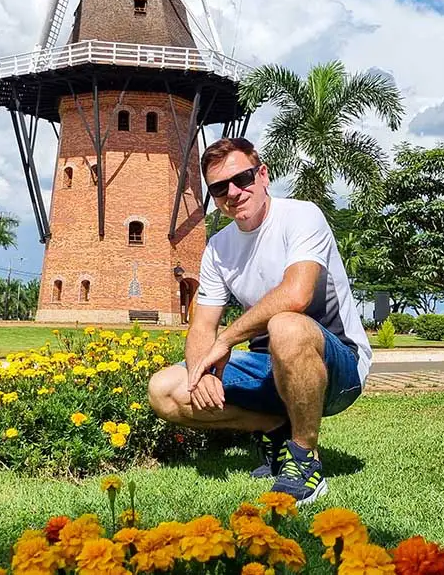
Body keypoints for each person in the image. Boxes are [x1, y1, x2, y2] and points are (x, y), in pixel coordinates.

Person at [147, 137, 372, 506]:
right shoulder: (219, 248)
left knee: (286, 324)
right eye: (220, 188)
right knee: (165, 389)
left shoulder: (301, 215)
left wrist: (225, 342)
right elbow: (203, 326)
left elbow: (297, 294)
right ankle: (275, 427)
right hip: (268, 368)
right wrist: (200, 372)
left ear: (263, 175)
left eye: (243, 179)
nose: (233, 192)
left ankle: (304, 462)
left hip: (339, 368)